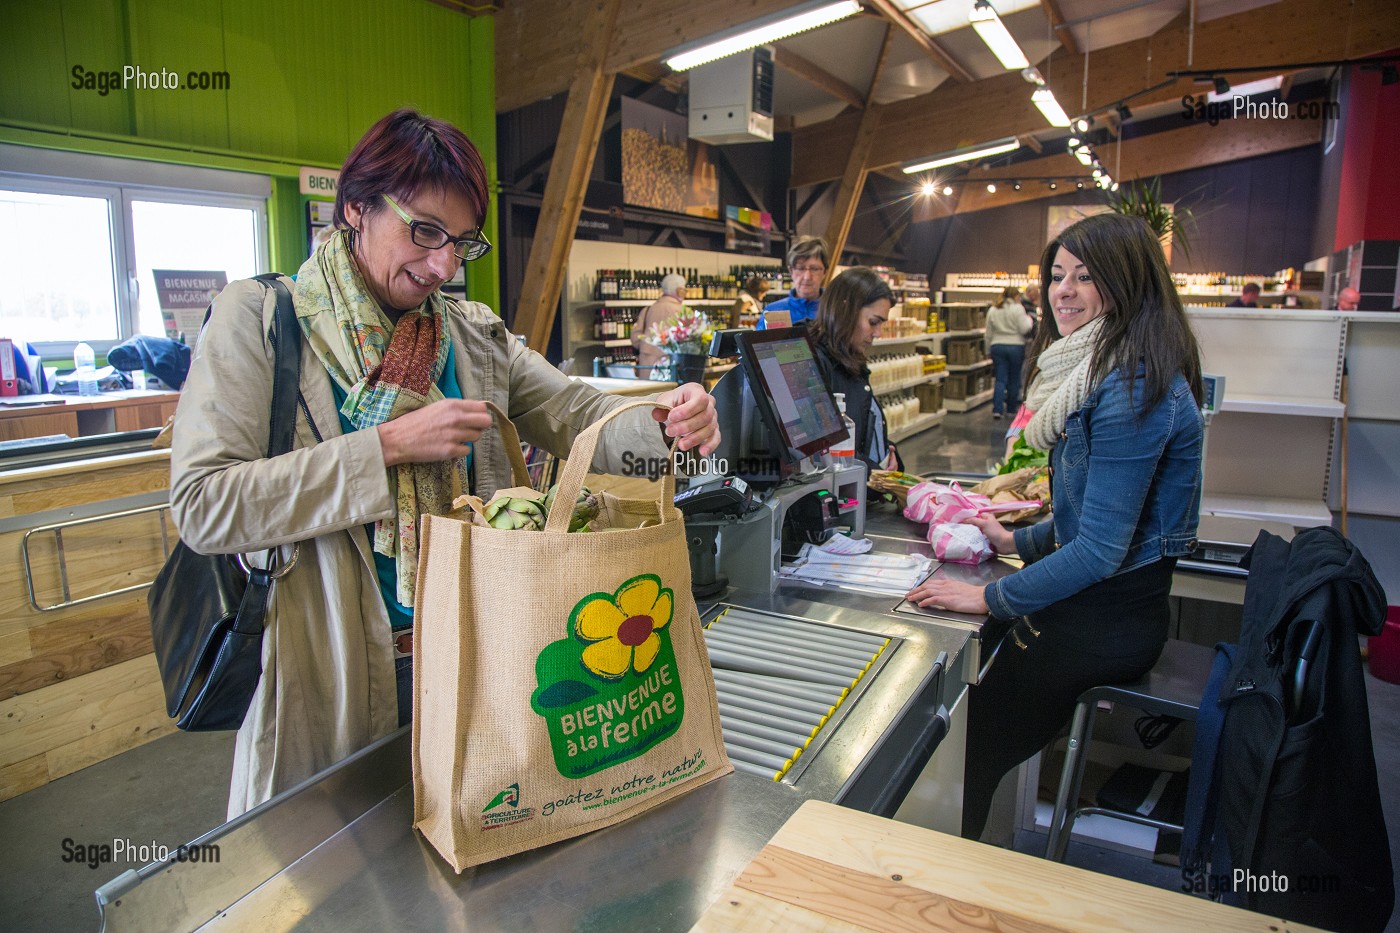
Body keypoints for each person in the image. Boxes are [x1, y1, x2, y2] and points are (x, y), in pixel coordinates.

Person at [170, 109, 720, 819]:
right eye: (424, 231)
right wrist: (387, 448)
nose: (442, 266)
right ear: (356, 206)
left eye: (461, 243)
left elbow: (580, 416)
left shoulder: (473, 336)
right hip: (334, 669)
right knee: (337, 875)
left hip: (481, 658)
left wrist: (667, 422)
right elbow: (205, 504)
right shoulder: (261, 322)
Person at [905, 212, 1205, 842]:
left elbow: (1098, 550)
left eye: (1086, 277)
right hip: (1103, 605)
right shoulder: (1096, 369)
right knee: (970, 688)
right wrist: (1018, 540)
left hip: (1107, 621)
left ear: (1130, 285)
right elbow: (1084, 516)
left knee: (965, 742)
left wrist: (989, 595)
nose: (1063, 291)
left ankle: (942, 884)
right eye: (1057, 275)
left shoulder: (1129, 385)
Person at [809, 267, 901, 477]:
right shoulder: (815, 365)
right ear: (845, 310)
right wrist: (875, 473)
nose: (878, 333)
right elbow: (825, 450)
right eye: (873, 322)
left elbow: (859, 427)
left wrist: (888, 451)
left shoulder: (849, 359)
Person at [757, 236, 828, 328]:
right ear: (791, 271)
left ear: (825, 272)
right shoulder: (774, 311)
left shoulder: (837, 311)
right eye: (800, 268)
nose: (807, 277)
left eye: (814, 269)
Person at [986, 286, 1033, 420]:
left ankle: (997, 409)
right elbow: (1025, 328)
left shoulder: (993, 309)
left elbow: (988, 333)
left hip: (997, 346)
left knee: (1000, 379)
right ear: (1015, 296)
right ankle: (1011, 409)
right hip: (1015, 346)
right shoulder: (1018, 309)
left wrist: (987, 350)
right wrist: (1029, 320)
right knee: (1014, 378)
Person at [632, 272, 686, 373]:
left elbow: (635, 338)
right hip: (672, 365)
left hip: (647, 365)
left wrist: (648, 346)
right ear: (679, 291)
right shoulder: (684, 312)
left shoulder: (648, 310)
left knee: (649, 389)